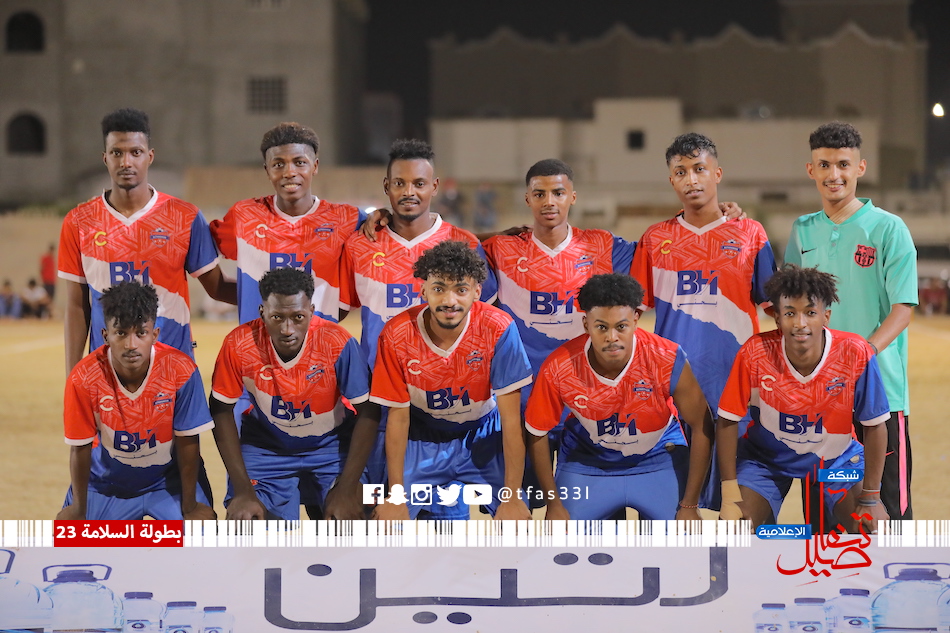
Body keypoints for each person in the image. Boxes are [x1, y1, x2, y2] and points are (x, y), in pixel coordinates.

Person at [339, 139, 497, 510]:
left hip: (448, 408)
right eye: (400, 183)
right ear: (387, 186)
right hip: (380, 404)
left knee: (444, 523)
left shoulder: (464, 244)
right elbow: (335, 313)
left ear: (434, 186)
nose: (409, 191)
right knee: (383, 515)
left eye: (419, 183)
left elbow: (485, 323)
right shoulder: (360, 245)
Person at [630, 133, 776, 509]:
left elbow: (777, 309)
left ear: (717, 174)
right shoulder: (654, 239)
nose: (691, 179)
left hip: (736, 384)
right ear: (672, 180)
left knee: (739, 511)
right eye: (681, 172)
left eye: (699, 169)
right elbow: (629, 315)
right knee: (673, 510)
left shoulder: (751, 235)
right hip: (674, 391)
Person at [785, 121, 917, 520]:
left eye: (843, 164)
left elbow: (903, 307)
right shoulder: (802, 230)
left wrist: (862, 353)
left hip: (880, 390)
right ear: (811, 170)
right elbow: (791, 306)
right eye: (824, 165)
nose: (834, 174)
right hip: (819, 395)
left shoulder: (888, 228)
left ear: (861, 167)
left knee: (888, 512)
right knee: (822, 515)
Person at [57, 108, 235, 372]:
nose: (126, 162)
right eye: (117, 153)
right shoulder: (79, 221)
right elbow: (76, 306)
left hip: (173, 368)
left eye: (135, 152)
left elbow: (217, 287)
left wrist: (277, 295)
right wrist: (73, 377)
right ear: (105, 158)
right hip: (108, 371)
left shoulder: (184, 217)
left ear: (149, 157)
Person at [525, 274, 713, 520]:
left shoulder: (666, 357)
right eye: (601, 327)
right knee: (564, 540)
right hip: (587, 462)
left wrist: (689, 505)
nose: (611, 337)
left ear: (635, 319)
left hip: (658, 458)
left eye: (621, 326)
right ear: (586, 324)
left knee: (680, 541)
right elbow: (537, 433)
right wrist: (554, 504)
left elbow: (702, 425)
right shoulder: (559, 366)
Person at [716, 265, 890, 533]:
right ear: (777, 318)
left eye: (810, 313)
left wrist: (871, 497)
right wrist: (729, 492)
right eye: (790, 313)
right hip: (766, 461)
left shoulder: (854, 352)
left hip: (836, 460)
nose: (800, 323)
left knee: (870, 527)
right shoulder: (754, 353)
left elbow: (875, 425)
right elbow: (727, 421)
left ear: (826, 316)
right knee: (734, 528)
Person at [370, 241, 533, 520]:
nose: (449, 301)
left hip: (484, 433)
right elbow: (398, 419)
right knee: (387, 522)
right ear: (423, 290)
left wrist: (513, 496)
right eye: (438, 289)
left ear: (477, 292)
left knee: (517, 522)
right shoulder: (396, 334)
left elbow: (510, 420)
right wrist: (395, 496)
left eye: (461, 289)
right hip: (422, 436)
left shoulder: (498, 328)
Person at [208, 267, 379, 520]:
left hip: (333, 446)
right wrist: (243, 490)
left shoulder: (337, 341)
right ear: (262, 312)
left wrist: (346, 488)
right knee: (246, 521)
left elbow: (370, 412)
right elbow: (220, 410)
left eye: (298, 317)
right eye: (277, 317)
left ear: (311, 311)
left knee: (364, 507)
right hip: (266, 448)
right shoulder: (238, 344)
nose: (287, 329)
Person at [57, 281, 216, 520]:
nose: (131, 345)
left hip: (168, 482)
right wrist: (79, 508)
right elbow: (80, 447)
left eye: (141, 333)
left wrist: (190, 504)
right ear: (105, 335)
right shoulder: (83, 378)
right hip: (106, 485)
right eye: (121, 333)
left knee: (201, 531)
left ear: (155, 334)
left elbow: (188, 439)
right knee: (72, 534)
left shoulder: (181, 370)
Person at [210, 121, 366, 325]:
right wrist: (251, 299)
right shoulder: (244, 216)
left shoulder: (349, 220)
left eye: (300, 162)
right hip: (257, 341)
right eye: (278, 164)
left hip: (319, 341)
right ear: (267, 170)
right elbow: (201, 256)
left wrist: (385, 217)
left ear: (315, 166)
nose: (289, 172)